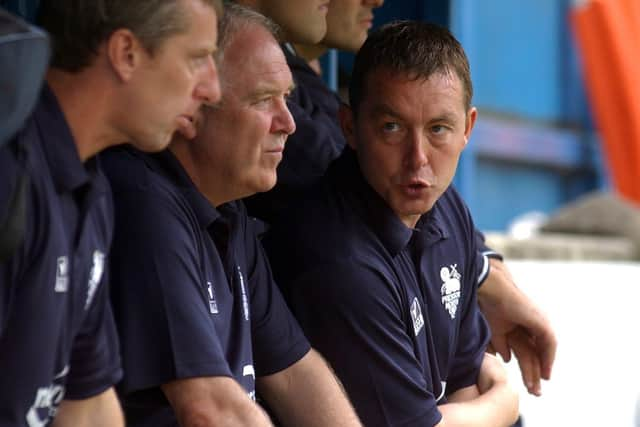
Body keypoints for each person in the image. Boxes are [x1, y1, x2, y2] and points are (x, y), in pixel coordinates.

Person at [247, 0, 557, 398]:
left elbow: (464, 381)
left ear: (468, 128)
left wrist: (485, 275)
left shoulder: (444, 209)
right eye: (392, 128)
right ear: (350, 129)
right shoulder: (340, 256)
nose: (418, 159)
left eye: (439, 129)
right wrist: (504, 399)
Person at [103, 5, 362, 427]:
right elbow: (209, 407)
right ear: (196, 105)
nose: (289, 123)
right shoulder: (142, 198)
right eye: (264, 100)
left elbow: (297, 373)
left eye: (288, 99)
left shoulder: (230, 211)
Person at [0, 0, 221, 425]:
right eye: (197, 58)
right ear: (126, 54)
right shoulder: (11, 174)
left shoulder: (91, 186)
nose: (213, 89)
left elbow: (87, 405)